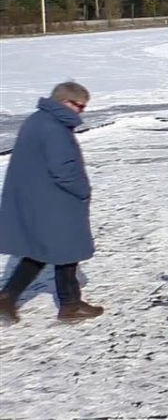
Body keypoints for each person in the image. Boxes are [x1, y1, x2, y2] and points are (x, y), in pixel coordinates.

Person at [0, 83, 103, 324]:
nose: (81, 112)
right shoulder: (55, 128)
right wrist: (83, 191)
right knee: (67, 250)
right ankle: (70, 305)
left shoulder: (37, 120)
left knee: (40, 251)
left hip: (36, 199)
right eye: (80, 106)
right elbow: (64, 170)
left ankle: (6, 298)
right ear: (66, 102)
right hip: (55, 202)